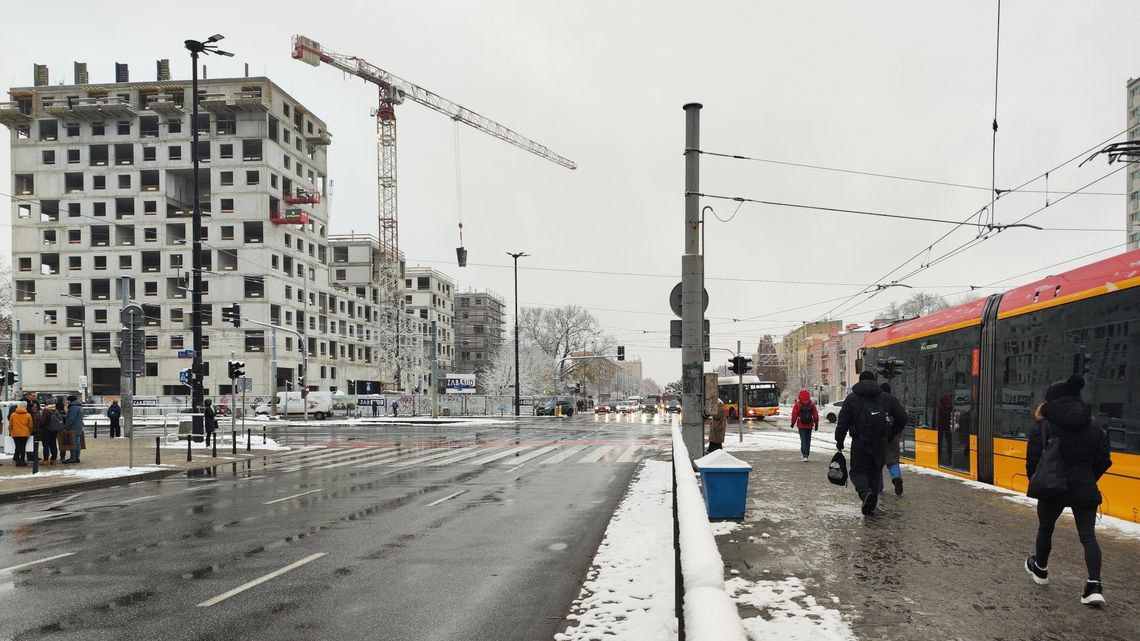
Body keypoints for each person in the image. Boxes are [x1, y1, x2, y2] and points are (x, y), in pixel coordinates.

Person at [1024, 374, 1112, 606]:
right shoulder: (1093, 426)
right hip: (1084, 487)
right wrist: (1088, 478)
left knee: (1046, 527)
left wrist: (1036, 479)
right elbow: (1104, 459)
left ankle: (1040, 570)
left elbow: (1032, 459)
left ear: (1052, 401)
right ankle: (1094, 586)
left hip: (1052, 487)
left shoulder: (1044, 425)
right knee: (1088, 536)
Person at [835, 371, 907, 515]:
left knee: (857, 472)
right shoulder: (886, 398)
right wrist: (890, 433)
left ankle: (865, 494)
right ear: (874, 381)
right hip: (880, 443)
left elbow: (843, 422)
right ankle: (870, 504)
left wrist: (840, 441)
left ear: (860, 381)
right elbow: (903, 417)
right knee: (875, 472)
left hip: (860, 443)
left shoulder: (852, 398)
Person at [880, 383, 905, 495]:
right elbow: (903, 417)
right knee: (893, 460)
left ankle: (878, 486)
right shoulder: (894, 401)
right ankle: (896, 478)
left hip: (879, 436)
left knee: (877, 462)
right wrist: (895, 432)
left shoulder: (876, 401)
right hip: (892, 437)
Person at [790, 389, 819, 462]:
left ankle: (804, 455)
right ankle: (807, 455)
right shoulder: (812, 404)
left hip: (801, 425)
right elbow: (815, 415)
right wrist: (816, 424)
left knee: (803, 440)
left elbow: (794, 415)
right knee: (808, 440)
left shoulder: (797, 405)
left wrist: (792, 423)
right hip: (809, 425)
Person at [37, 398, 62, 464]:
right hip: (54, 430)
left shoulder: (46, 410)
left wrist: (39, 425)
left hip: (46, 430)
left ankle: (45, 460)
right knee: (53, 445)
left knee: (46, 446)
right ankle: (54, 459)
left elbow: (43, 421)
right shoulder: (56, 410)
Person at [9, 402, 34, 467]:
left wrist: (10, 432)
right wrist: (29, 432)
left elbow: (10, 425)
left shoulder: (13, 415)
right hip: (25, 434)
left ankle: (17, 461)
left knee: (17, 447)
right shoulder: (28, 415)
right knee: (23, 447)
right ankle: (22, 461)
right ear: (25, 407)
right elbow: (30, 425)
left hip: (15, 433)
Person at [62, 395, 84, 464]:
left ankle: (73, 458)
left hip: (73, 428)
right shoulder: (79, 407)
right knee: (77, 443)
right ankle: (77, 457)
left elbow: (71, 419)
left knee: (73, 443)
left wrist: (65, 427)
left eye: (68, 400)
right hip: (78, 427)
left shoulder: (73, 408)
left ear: (71, 400)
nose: (67, 402)